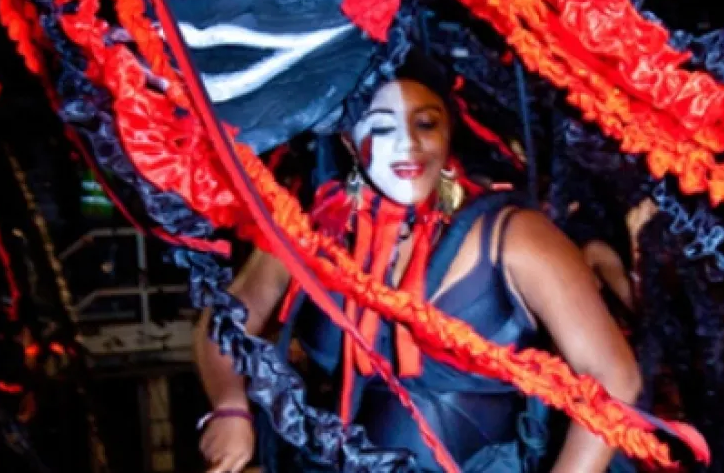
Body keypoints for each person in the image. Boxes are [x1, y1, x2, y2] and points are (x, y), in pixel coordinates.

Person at [193, 58, 642, 473]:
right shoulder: (308, 235)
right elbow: (224, 323)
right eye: (382, 128)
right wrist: (230, 407)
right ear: (348, 139)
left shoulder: (515, 236)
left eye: (425, 123)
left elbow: (614, 376)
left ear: (449, 130)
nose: (408, 145)